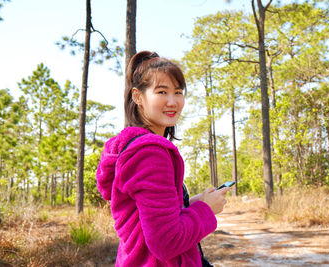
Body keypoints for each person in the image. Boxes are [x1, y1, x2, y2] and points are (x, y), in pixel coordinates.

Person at [96, 51, 230, 267]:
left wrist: (195, 201)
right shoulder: (150, 153)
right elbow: (166, 242)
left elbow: (145, 217)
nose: (172, 101)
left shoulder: (132, 147)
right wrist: (206, 210)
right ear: (138, 96)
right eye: (161, 91)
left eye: (178, 92)